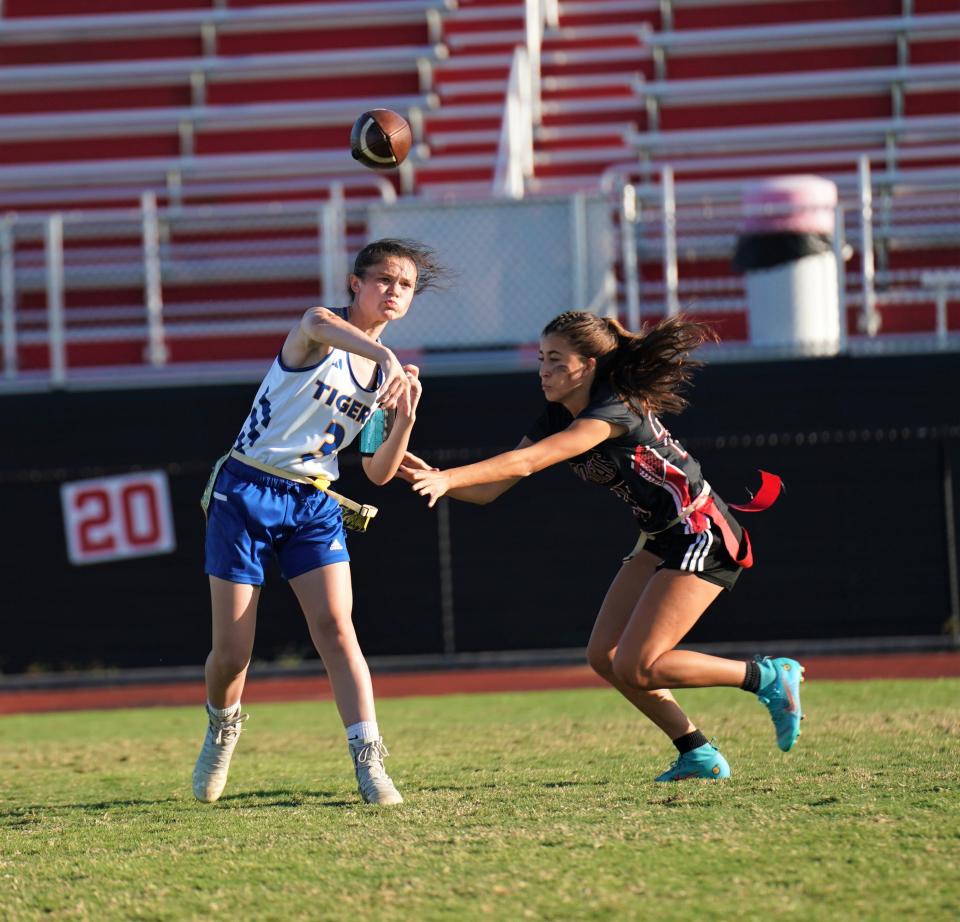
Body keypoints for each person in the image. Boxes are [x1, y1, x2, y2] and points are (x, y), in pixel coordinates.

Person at [404, 310, 802, 782]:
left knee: (643, 665)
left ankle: (768, 678)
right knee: (606, 657)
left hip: (700, 532)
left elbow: (530, 461)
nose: (543, 371)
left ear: (589, 365)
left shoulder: (612, 409)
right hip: (659, 537)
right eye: (540, 359)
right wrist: (430, 478)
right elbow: (492, 489)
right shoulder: (558, 412)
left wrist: (449, 476)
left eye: (556, 360)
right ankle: (696, 752)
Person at [193, 238, 445, 806]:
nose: (393, 290)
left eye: (404, 285)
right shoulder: (322, 330)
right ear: (356, 283)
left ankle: (369, 760)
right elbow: (313, 320)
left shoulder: (391, 377)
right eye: (383, 279)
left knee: (336, 626)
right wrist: (383, 360)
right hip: (247, 490)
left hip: (311, 502)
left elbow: (378, 472)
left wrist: (405, 417)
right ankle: (222, 727)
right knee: (233, 653)